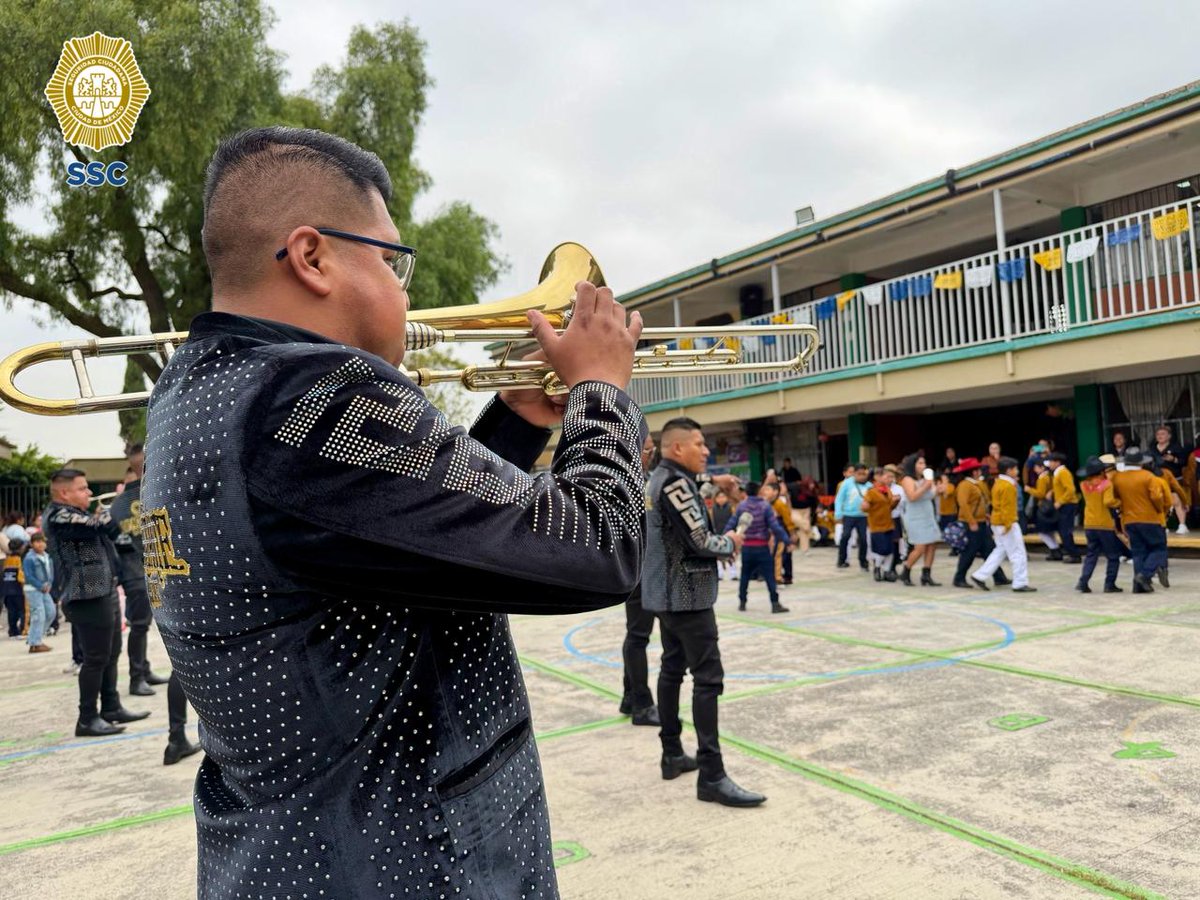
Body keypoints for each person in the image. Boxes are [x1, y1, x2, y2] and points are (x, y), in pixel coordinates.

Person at [141, 126, 648, 897]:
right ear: (312, 257)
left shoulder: (196, 392)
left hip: (291, 853)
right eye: (390, 259)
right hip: (403, 862)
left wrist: (513, 419)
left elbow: (408, 536)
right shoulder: (314, 396)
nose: (405, 288)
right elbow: (598, 548)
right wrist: (602, 391)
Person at [644, 417, 762, 807]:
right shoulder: (675, 483)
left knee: (672, 669)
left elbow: (688, 505)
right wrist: (731, 540)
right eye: (699, 443)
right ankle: (712, 774)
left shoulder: (661, 478)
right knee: (708, 680)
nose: (706, 450)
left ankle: (672, 753)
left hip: (665, 595)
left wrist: (716, 483)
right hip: (688, 596)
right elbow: (699, 540)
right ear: (678, 448)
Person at [108, 444, 200, 764]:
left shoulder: (119, 506)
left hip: (154, 582)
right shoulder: (173, 488)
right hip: (187, 581)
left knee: (181, 664)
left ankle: (176, 735)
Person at [44, 469, 151, 737]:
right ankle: (87, 718)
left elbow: (115, 534)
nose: (89, 493)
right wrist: (112, 508)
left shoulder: (79, 514)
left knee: (111, 653)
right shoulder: (59, 516)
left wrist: (108, 514)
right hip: (85, 596)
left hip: (104, 590)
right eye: (82, 489)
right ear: (64, 492)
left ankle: (111, 707)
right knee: (95, 659)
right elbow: (100, 526)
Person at [107, 444, 171, 697]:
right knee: (140, 625)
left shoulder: (118, 504)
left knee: (142, 625)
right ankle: (136, 677)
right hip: (138, 570)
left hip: (137, 569)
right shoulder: (153, 492)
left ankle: (143, 670)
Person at [619, 433, 661, 728]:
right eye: (648, 449)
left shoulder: (640, 478)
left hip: (641, 570)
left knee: (635, 636)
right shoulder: (633, 482)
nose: (651, 453)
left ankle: (630, 696)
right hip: (643, 570)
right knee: (638, 637)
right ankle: (643, 705)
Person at [970, 458, 1035, 592]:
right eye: (1015, 469)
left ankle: (980, 576)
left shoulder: (998, 482)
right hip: (1006, 523)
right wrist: (1008, 525)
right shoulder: (1008, 485)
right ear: (1009, 470)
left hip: (997, 522)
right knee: (1018, 553)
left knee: (1000, 551)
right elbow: (1007, 508)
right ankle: (1020, 582)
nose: (1017, 471)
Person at [1110, 448, 1169, 593]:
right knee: (1159, 548)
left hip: (1129, 519)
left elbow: (1115, 497)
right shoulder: (1148, 476)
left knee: (1138, 552)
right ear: (1141, 462)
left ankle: (1138, 586)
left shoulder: (1118, 478)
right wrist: (1159, 509)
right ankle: (1145, 575)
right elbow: (1156, 497)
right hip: (1149, 518)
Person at [727, 481, 791, 613]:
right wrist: (786, 540)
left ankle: (742, 602)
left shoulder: (741, 506)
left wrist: (724, 537)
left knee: (745, 576)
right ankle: (774, 603)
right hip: (762, 547)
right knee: (769, 576)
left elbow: (731, 523)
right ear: (759, 491)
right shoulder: (765, 506)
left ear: (746, 492)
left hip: (747, 548)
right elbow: (775, 526)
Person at [1075, 457, 1122, 594]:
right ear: (1102, 472)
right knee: (1113, 556)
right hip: (1104, 525)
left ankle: (1083, 582)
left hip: (1089, 523)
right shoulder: (1106, 484)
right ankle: (1109, 584)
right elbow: (1108, 502)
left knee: (1091, 555)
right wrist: (1119, 502)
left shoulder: (1083, 485)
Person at [896, 453, 942, 586]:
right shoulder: (907, 480)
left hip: (927, 514)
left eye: (924, 463)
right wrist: (926, 486)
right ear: (913, 465)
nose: (923, 466)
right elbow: (912, 497)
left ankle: (926, 574)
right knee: (920, 546)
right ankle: (906, 571)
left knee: (932, 544)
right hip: (915, 517)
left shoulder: (926, 479)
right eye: (920, 463)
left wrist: (937, 489)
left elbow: (930, 495)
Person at [860, 468, 899, 582]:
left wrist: (895, 502)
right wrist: (865, 506)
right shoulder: (871, 492)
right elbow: (864, 506)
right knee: (881, 549)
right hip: (876, 525)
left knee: (890, 549)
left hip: (888, 524)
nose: (888, 479)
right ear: (876, 477)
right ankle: (877, 568)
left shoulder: (888, 491)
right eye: (886, 476)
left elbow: (890, 507)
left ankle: (887, 571)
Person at [1046, 452, 1082, 563]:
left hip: (1067, 505)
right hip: (1064, 504)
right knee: (1063, 530)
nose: (1049, 464)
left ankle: (1074, 555)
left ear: (1057, 462)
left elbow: (1070, 490)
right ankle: (1071, 552)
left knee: (1065, 530)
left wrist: (1060, 502)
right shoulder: (1058, 473)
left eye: (1051, 462)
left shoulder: (1063, 473)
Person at [22, 533, 55, 652]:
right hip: (33, 589)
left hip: (45, 588)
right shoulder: (29, 558)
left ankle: (34, 638)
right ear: (32, 544)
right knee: (39, 614)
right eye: (37, 541)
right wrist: (40, 585)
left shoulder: (47, 556)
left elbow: (50, 572)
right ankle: (35, 642)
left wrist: (49, 584)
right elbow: (29, 575)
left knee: (51, 612)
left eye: (42, 541)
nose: (40, 544)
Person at [835, 463, 870, 571]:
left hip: (863, 516)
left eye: (864, 474)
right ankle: (842, 560)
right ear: (854, 473)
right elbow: (839, 499)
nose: (862, 476)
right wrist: (838, 514)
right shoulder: (846, 484)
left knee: (863, 539)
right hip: (848, 515)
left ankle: (863, 561)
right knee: (845, 537)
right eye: (859, 474)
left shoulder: (869, 485)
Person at [708, 489, 738, 580]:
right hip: (717, 534)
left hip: (728, 534)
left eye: (723, 497)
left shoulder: (731, 508)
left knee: (731, 555)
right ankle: (719, 574)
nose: (721, 499)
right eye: (719, 497)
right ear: (716, 499)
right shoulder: (712, 510)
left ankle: (733, 573)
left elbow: (734, 521)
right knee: (718, 556)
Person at [770, 479, 796, 585]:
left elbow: (787, 519)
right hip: (772, 531)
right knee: (777, 554)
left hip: (782, 529)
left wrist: (792, 533)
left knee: (783, 554)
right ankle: (779, 575)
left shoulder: (780, 504)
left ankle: (784, 576)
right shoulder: (768, 503)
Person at [3, 536, 27, 638]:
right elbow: (21, 576)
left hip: (7, 589)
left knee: (11, 611)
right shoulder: (20, 560)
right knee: (22, 610)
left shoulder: (6, 560)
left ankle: (12, 630)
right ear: (21, 548)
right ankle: (23, 628)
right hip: (18, 589)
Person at [789, 477, 818, 555]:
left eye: (813, 484)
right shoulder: (795, 487)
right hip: (795, 510)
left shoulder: (813, 492)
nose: (812, 486)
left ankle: (805, 550)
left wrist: (813, 520)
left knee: (803, 531)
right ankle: (812, 533)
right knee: (804, 525)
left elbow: (814, 507)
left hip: (806, 511)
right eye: (810, 484)